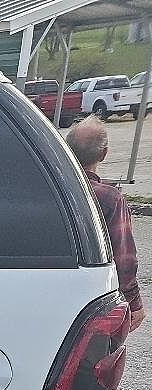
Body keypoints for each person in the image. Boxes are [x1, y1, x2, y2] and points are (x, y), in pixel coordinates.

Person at [66, 117, 145, 329]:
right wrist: (133, 303)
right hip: (93, 298)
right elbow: (124, 258)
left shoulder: (50, 191)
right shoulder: (111, 199)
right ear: (104, 154)